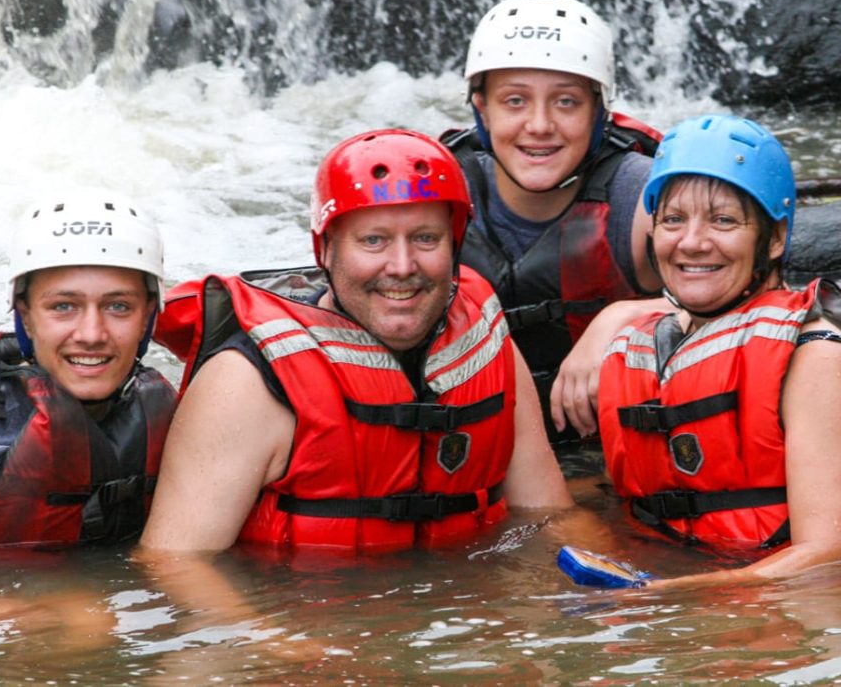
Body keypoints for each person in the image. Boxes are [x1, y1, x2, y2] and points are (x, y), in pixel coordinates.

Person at [141, 128, 575, 554]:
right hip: (308, 615)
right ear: (326, 250)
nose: (402, 266)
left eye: (426, 238)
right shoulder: (245, 384)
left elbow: (549, 516)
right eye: (374, 241)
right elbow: (177, 569)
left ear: (455, 245)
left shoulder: (483, 342)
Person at [592, 114, 841, 587]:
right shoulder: (636, 348)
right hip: (700, 578)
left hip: (815, 602)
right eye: (673, 219)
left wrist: (663, 595)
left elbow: (831, 552)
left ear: (774, 239)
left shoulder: (817, 359)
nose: (692, 242)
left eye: (724, 220)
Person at [442, 0, 666, 453]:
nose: (539, 125)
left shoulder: (642, 198)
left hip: (607, 453)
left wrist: (622, 316)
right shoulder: (437, 190)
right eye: (515, 101)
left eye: (566, 102)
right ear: (481, 109)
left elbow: (755, 302)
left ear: (598, 111)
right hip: (474, 450)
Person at [0, 189, 179, 546]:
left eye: (118, 307)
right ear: (25, 316)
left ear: (148, 316)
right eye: (63, 307)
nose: (91, 334)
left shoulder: (180, 420)